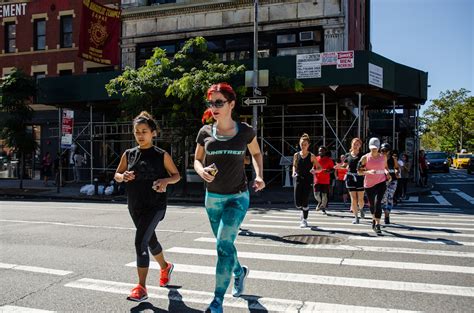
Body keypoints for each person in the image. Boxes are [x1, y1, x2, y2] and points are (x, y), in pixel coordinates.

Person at [194, 82, 265, 313]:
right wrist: (199, 170)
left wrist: (259, 175)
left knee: (223, 245)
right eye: (211, 102)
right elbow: (196, 159)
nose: (214, 107)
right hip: (212, 198)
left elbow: (255, 152)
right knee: (223, 245)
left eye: (219, 102)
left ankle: (217, 301)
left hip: (237, 196)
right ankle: (239, 272)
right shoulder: (205, 132)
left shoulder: (245, 131)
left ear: (231, 104)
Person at [114, 111, 180, 302]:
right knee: (150, 241)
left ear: (153, 133)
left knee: (140, 241)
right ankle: (165, 267)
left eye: (144, 131)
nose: (140, 135)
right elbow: (117, 174)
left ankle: (141, 287)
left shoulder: (161, 155)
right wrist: (123, 176)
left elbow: (176, 175)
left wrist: (165, 181)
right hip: (135, 205)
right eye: (137, 132)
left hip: (155, 205)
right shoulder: (129, 154)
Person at [358, 137, 390, 235]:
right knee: (372, 204)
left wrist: (387, 173)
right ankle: (373, 219)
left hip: (381, 182)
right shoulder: (365, 158)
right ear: (369, 147)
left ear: (379, 147)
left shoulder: (383, 157)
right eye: (372, 148)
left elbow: (385, 168)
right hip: (369, 184)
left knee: (378, 203)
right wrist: (368, 171)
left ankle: (378, 224)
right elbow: (359, 172)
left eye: (376, 147)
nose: (374, 149)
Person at [292, 134, 321, 228]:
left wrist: (315, 171)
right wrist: (293, 172)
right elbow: (294, 166)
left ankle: (304, 220)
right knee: (297, 203)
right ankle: (302, 211)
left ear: (308, 145)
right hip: (298, 179)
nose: (303, 145)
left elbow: (320, 168)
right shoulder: (296, 155)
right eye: (301, 144)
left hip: (308, 180)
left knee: (305, 201)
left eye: (305, 144)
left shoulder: (312, 156)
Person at [335, 138, 365, 224]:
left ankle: (361, 208)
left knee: (360, 199)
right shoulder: (347, 155)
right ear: (351, 144)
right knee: (353, 199)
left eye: (357, 144)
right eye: (354, 144)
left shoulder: (363, 155)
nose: (355, 146)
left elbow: (366, 166)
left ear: (360, 146)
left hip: (360, 178)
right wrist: (339, 166)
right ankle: (356, 217)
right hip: (350, 178)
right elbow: (345, 166)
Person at [381, 144, 399, 224]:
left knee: (390, 198)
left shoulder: (393, 158)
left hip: (393, 180)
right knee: (384, 198)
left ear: (389, 151)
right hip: (382, 180)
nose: (384, 152)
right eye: (382, 150)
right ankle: (386, 213)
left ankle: (387, 214)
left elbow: (396, 167)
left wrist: (396, 171)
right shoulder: (380, 159)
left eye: (386, 150)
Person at [313, 146, 334, 214]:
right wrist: (313, 170)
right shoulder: (316, 159)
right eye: (319, 151)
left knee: (324, 195)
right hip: (317, 179)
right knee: (316, 194)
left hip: (325, 180)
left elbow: (333, 169)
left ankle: (323, 208)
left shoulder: (329, 160)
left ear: (325, 152)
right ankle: (319, 202)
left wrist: (329, 171)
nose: (320, 152)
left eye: (322, 151)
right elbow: (313, 168)